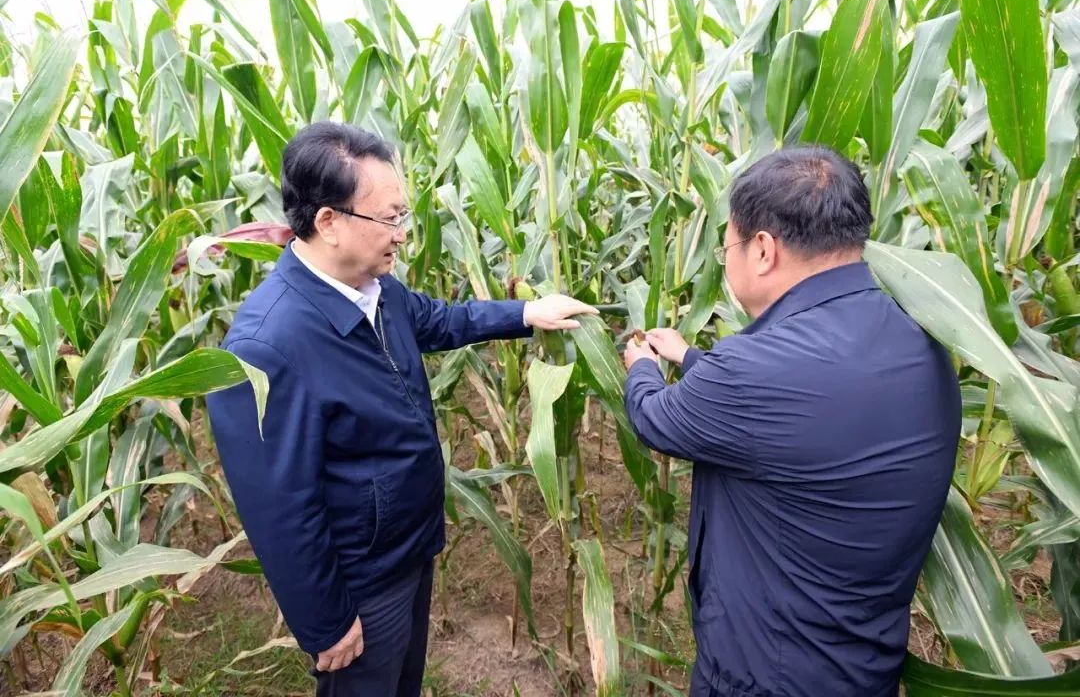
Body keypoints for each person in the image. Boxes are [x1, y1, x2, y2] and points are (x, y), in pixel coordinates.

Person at [205, 121, 597, 696]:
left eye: (403, 216)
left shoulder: (375, 287)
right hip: (361, 578)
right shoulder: (267, 346)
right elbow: (278, 507)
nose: (403, 234)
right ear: (329, 222)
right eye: (390, 218)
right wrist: (325, 621)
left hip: (408, 547)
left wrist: (525, 314)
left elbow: (438, 320)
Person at [621, 145, 961, 697]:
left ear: (762, 250)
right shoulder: (921, 341)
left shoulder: (750, 374)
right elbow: (803, 413)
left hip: (766, 673)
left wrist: (641, 365)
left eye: (727, 246)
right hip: (865, 667)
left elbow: (655, 417)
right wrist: (691, 358)